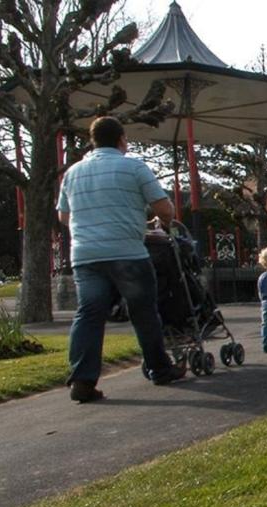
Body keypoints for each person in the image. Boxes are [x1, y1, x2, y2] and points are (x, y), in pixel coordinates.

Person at [57, 117, 185, 402]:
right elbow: (164, 208)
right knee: (143, 311)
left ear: (93, 141)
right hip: (127, 252)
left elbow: (64, 217)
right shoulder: (134, 168)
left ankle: (83, 378)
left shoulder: (73, 173)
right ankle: (159, 368)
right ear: (121, 140)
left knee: (89, 314)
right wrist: (163, 219)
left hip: (86, 255)